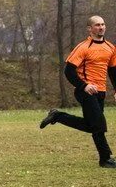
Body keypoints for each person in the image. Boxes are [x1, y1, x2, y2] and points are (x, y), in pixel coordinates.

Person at [39, 15, 116, 168]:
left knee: (91, 125)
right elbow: (69, 71)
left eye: (103, 24)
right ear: (90, 29)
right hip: (85, 92)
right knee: (99, 124)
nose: (101, 27)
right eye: (97, 25)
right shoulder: (83, 47)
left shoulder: (110, 48)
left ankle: (58, 116)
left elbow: (113, 71)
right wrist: (84, 86)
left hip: (101, 92)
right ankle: (105, 158)